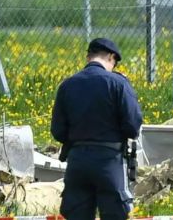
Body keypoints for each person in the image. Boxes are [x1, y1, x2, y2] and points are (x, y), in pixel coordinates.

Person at [51, 37, 143, 220]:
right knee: (116, 213)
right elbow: (133, 126)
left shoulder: (67, 85)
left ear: (88, 57)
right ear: (110, 57)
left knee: (76, 214)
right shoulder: (118, 84)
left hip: (77, 161)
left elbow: (58, 130)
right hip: (110, 161)